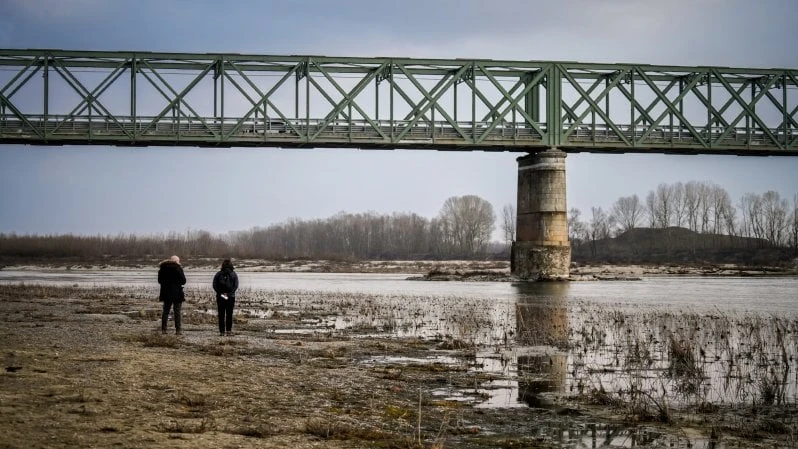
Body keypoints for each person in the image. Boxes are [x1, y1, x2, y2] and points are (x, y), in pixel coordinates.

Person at [158, 255, 186, 335]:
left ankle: (164, 329)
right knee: (177, 312)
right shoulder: (178, 268)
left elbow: (159, 281)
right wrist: (176, 283)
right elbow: (183, 281)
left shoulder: (162, 268)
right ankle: (178, 330)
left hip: (166, 293)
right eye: (178, 261)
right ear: (176, 261)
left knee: (166, 311)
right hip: (177, 293)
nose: (179, 262)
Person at [212, 259, 239, 336]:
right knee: (229, 314)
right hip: (230, 297)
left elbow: (214, 285)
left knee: (221, 314)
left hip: (220, 296)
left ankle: (221, 332)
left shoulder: (218, 274)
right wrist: (229, 294)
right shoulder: (234, 274)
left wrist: (220, 293)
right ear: (231, 265)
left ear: (222, 265)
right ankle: (228, 331)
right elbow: (236, 286)